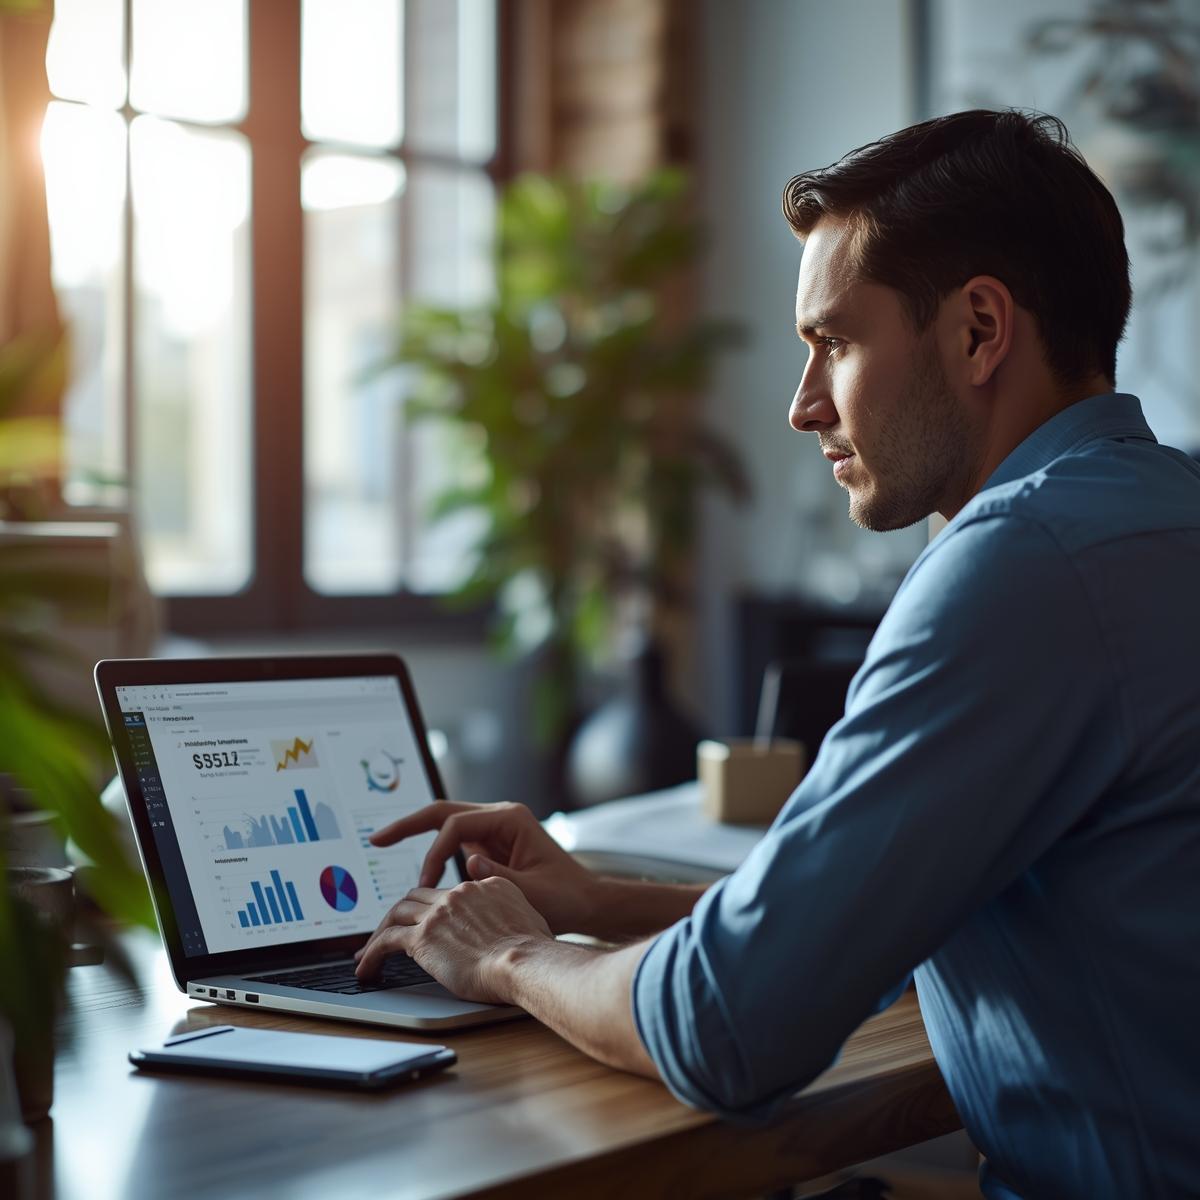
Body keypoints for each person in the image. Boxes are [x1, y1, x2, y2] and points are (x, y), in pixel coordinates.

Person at [354, 110, 1200, 1199]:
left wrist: (504, 957)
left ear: (980, 330)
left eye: (834, 343)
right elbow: (864, 926)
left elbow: (728, 1027)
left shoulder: (1022, 565)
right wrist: (592, 901)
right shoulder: (1156, 513)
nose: (803, 406)